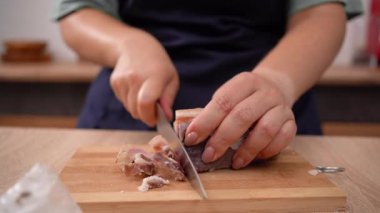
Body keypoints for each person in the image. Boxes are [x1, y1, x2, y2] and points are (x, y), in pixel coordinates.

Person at [53, 0, 362, 169]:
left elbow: (323, 12)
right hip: (127, 111)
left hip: (271, 113)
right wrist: (127, 44)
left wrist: (278, 81)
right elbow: (77, 11)